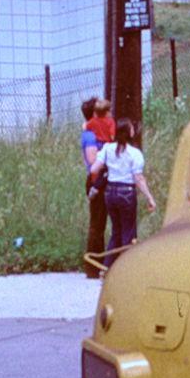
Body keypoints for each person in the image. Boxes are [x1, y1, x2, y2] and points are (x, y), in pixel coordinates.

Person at [95, 118, 157, 270]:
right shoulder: (134, 153)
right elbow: (138, 178)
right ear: (129, 132)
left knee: (116, 231)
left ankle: (106, 267)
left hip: (110, 192)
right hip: (126, 193)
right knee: (128, 233)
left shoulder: (107, 149)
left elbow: (94, 169)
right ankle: (126, 269)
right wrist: (149, 197)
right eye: (132, 128)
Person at [79, 96, 115, 279]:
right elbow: (93, 160)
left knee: (104, 221)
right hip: (97, 179)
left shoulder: (98, 130)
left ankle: (103, 262)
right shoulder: (90, 135)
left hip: (107, 178)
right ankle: (93, 266)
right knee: (98, 223)